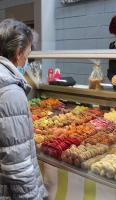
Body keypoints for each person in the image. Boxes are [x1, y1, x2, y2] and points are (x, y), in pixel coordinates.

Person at [0, 19, 47, 199]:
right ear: (18, 53)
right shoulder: (11, 91)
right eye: (27, 56)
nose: (26, 62)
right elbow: (17, 165)